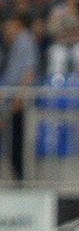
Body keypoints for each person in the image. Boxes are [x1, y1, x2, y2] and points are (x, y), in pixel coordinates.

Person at [0, 12, 38, 182]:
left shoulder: (25, 41)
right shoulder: (15, 43)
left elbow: (28, 72)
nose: (5, 30)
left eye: (7, 26)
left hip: (18, 100)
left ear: (16, 24)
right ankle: (17, 176)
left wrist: (19, 97)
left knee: (18, 140)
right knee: (13, 140)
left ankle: (20, 178)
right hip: (11, 98)